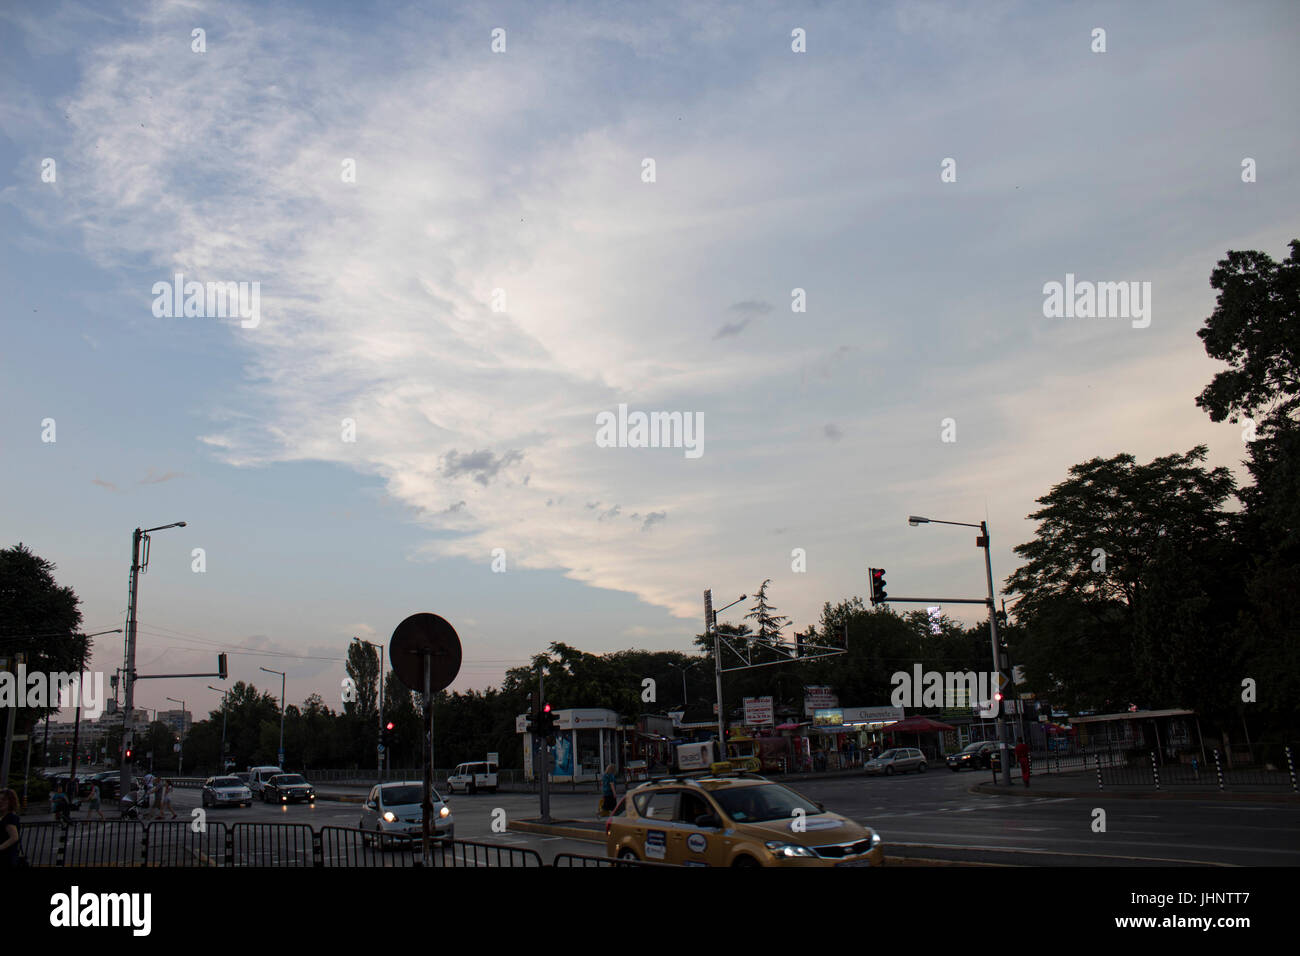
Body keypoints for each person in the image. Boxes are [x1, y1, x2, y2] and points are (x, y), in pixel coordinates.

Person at [0, 789, 22, 867]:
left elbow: (14, 837)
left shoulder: (10, 817)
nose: (0, 802)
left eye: (4, 800)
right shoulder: (3, 817)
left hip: (6, 857)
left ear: (10, 802)